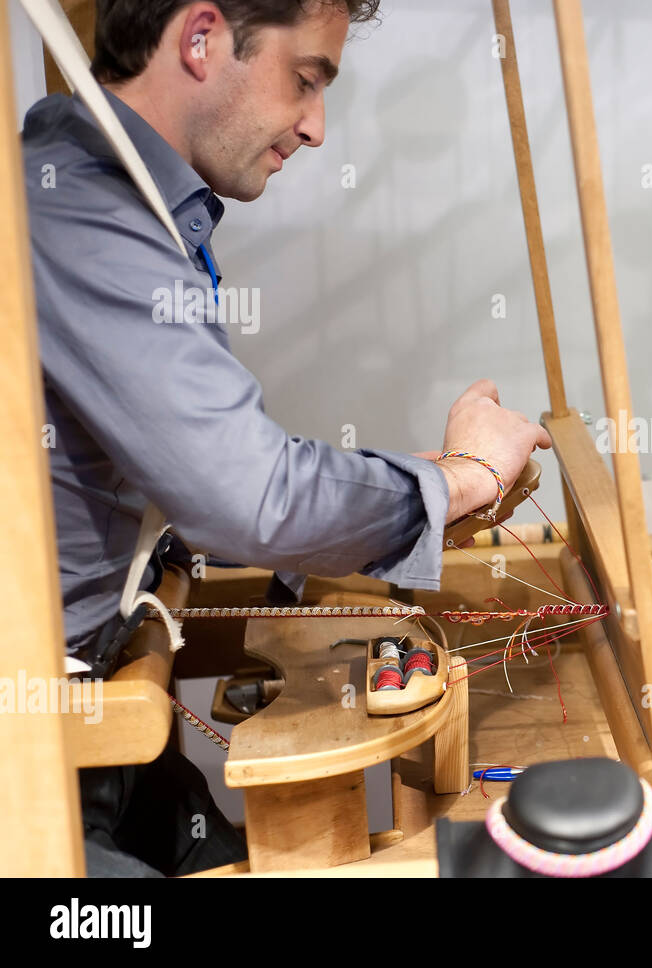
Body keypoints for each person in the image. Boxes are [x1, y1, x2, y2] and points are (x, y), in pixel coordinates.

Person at [22, 0, 550, 875]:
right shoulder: (80, 210)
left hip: (109, 721)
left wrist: (384, 488)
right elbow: (246, 496)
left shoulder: (108, 189)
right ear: (200, 39)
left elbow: (181, 471)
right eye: (305, 80)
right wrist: (461, 479)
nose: (315, 127)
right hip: (39, 764)